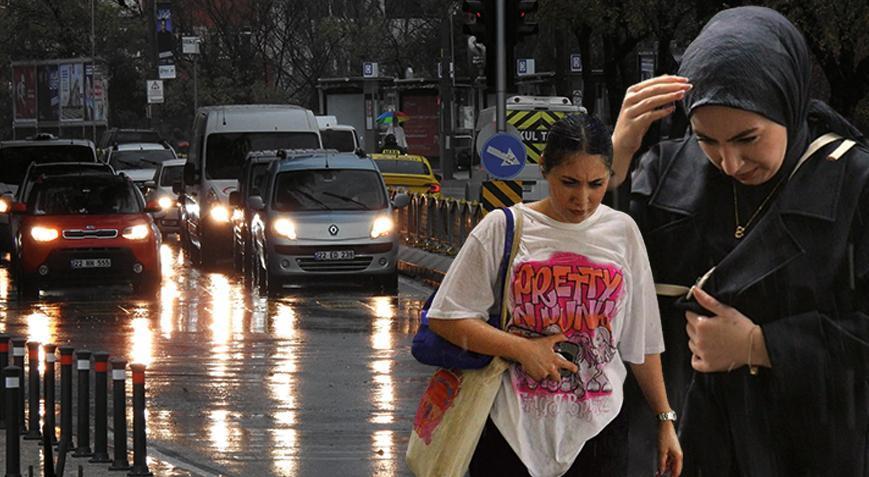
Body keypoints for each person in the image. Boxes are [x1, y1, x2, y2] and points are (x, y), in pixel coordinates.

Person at [611, 6, 869, 475]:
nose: (730, 162)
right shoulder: (665, 170)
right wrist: (615, 160)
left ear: (788, 102)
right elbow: (601, 282)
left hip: (809, 446)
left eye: (748, 138)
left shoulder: (853, 181)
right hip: (685, 439)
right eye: (706, 139)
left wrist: (761, 344)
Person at [427, 113, 683, 477]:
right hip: (509, 429)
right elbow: (445, 317)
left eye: (596, 183)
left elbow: (642, 342)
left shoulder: (622, 232)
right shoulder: (502, 228)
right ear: (544, 168)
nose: (583, 199)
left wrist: (665, 419)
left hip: (599, 431)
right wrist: (523, 349)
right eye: (569, 182)